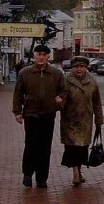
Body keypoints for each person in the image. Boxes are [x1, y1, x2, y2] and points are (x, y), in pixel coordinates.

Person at [12, 43, 66, 188]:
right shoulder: (25, 73)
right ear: (34, 56)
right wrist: (17, 111)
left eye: (44, 55)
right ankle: (28, 174)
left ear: (48, 56)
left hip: (48, 115)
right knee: (31, 145)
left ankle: (42, 178)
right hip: (31, 115)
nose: (41, 57)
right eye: (38, 54)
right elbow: (18, 93)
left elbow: (64, 91)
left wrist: (60, 101)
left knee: (45, 147)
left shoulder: (56, 73)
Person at [59, 55, 104, 186]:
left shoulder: (92, 81)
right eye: (76, 67)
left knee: (82, 148)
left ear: (86, 68)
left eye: (82, 67)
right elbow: (61, 100)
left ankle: (79, 171)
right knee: (72, 148)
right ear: (72, 68)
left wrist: (99, 120)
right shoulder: (66, 80)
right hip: (70, 120)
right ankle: (75, 174)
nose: (79, 69)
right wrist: (59, 103)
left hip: (85, 120)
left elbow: (97, 102)